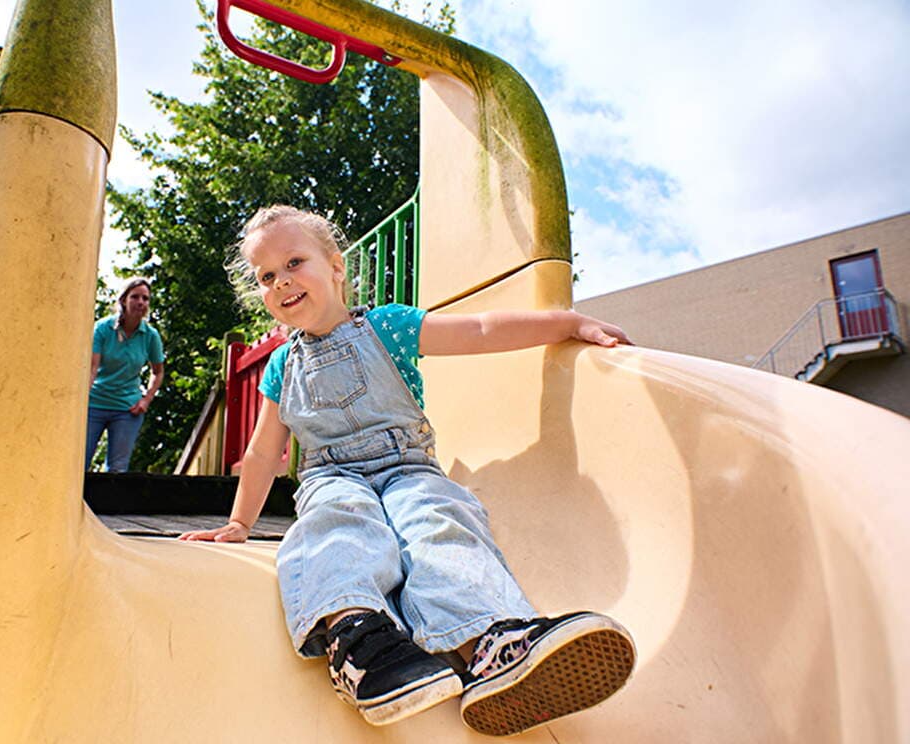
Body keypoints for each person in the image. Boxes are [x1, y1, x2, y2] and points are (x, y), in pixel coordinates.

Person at [180, 206, 636, 736]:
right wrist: (239, 523)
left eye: (294, 262)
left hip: (406, 466)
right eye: (266, 276)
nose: (282, 281)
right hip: (333, 476)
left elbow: (483, 329)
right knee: (338, 523)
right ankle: (359, 643)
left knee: (437, 519)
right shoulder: (282, 367)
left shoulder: (387, 327)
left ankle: (490, 645)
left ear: (335, 266)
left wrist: (569, 322)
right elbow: (263, 453)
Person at [86, 278, 165, 473]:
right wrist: (82, 398)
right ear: (123, 300)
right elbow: (92, 368)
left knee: (117, 469)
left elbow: (158, 371)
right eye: (135, 297)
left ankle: (106, 504)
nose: (141, 302)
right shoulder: (103, 329)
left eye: (145, 298)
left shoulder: (150, 336)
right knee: (80, 462)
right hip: (95, 403)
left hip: (127, 409)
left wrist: (146, 400)